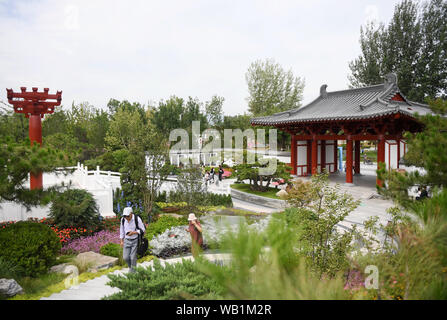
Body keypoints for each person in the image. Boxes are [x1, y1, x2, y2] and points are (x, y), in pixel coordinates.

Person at [119, 207, 146, 273]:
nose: (126, 217)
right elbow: (121, 230)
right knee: (125, 257)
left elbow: (143, 229)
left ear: (131, 213)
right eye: (125, 216)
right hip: (126, 240)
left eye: (127, 216)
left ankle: (132, 273)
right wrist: (121, 241)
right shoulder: (123, 219)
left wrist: (133, 232)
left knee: (133, 258)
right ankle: (132, 268)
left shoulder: (137, 219)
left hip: (135, 240)